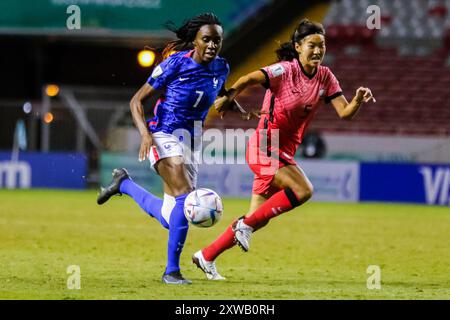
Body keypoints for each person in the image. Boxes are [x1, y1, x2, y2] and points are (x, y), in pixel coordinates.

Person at [192, 18, 376, 280]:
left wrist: (357, 99)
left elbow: (345, 113)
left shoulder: (325, 76)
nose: (318, 50)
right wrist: (229, 95)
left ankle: (206, 256)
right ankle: (243, 226)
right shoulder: (284, 71)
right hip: (264, 146)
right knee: (303, 190)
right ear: (298, 47)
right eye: (312, 45)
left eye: (322, 45)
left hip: (283, 151)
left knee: (258, 218)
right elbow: (249, 77)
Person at [97, 13, 230, 285]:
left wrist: (238, 106)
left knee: (173, 218)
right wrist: (146, 135)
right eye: (207, 39)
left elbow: (220, 92)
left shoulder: (221, 67)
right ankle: (172, 272)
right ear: (194, 40)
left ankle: (124, 184)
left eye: (217, 40)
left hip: (191, 142)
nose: (212, 45)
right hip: (163, 134)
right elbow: (136, 101)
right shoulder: (174, 65)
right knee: (184, 196)